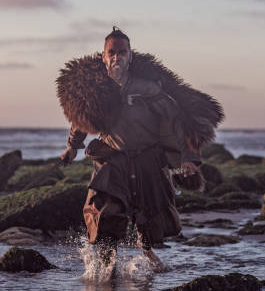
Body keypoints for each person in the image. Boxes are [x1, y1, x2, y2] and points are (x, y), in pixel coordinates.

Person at [57, 27, 223, 270]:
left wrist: (188, 160)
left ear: (130, 56)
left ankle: (145, 248)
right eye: (111, 52)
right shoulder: (94, 91)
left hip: (147, 159)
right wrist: (71, 148)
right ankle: (106, 268)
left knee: (152, 217)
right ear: (103, 56)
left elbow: (177, 122)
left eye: (122, 52)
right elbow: (81, 120)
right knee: (105, 212)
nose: (116, 57)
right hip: (112, 160)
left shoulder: (148, 89)